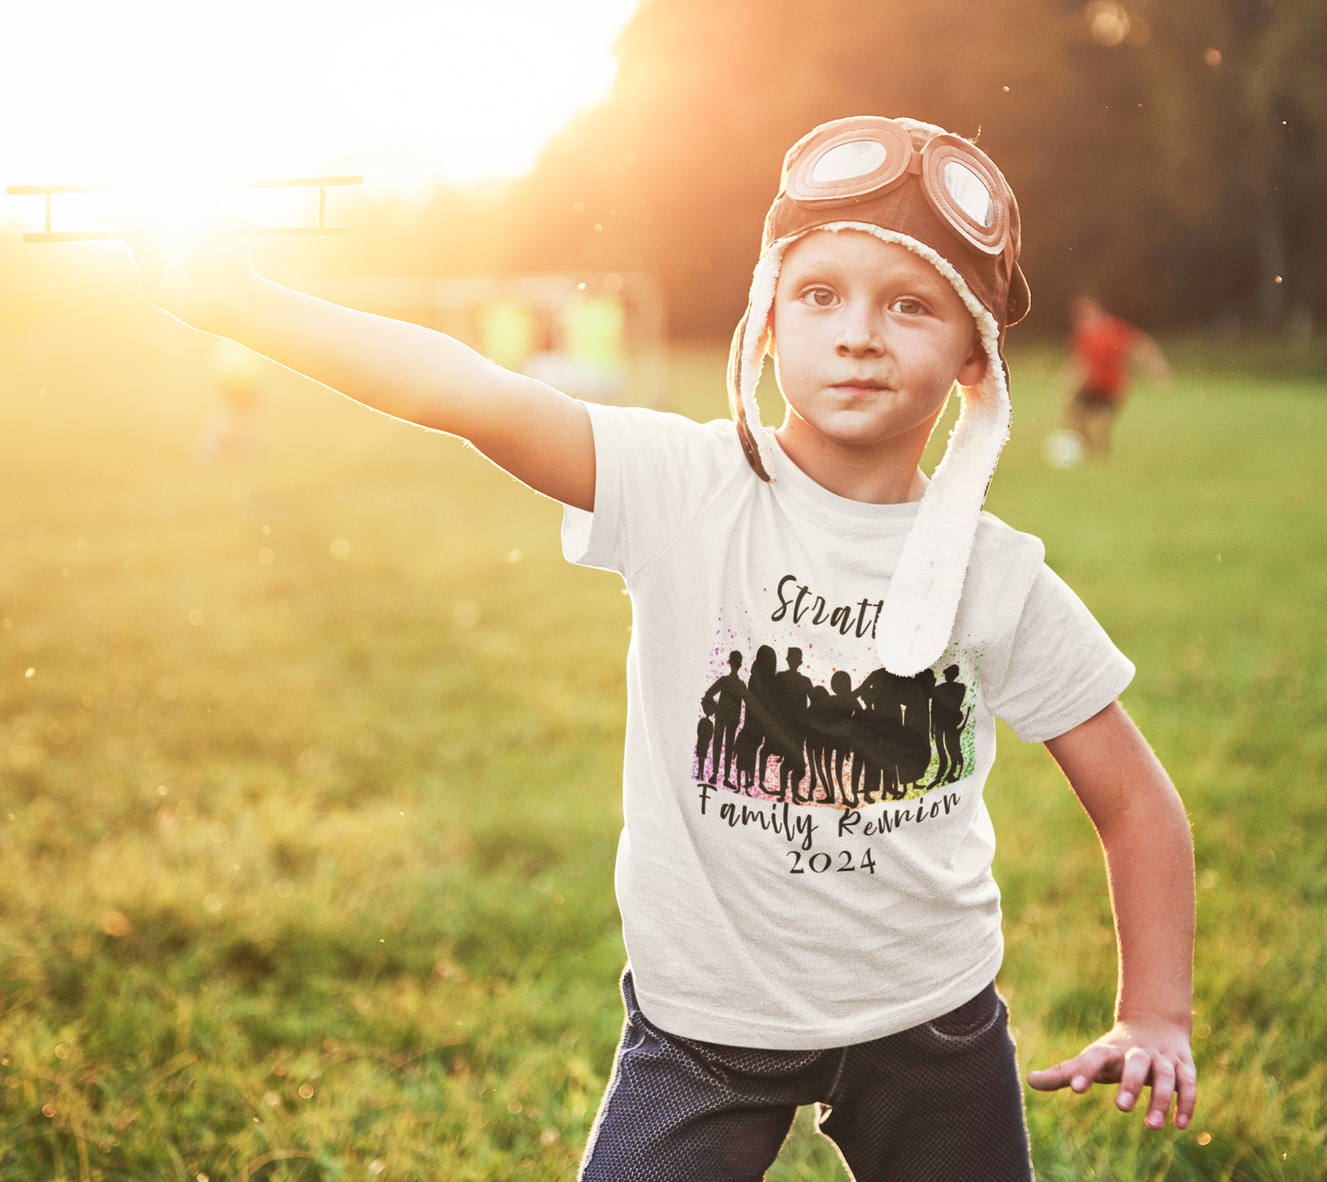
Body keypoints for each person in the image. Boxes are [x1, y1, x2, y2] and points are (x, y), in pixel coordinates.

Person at [125, 115, 1196, 1181]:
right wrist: (247, 306)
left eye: (908, 305)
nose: (859, 332)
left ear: (971, 355)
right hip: (703, 1024)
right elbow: (471, 394)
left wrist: (1154, 1014)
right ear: (767, 323)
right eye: (819, 294)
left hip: (930, 1017)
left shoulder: (995, 573)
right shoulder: (680, 485)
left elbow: (1135, 804)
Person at [1062, 295, 1173, 457]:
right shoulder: (1081, 333)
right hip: (1092, 384)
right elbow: (1078, 360)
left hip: (1113, 385)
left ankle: (1101, 454)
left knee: (1101, 423)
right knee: (1075, 416)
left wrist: (1156, 369)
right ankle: (1088, 451)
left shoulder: (1114, 329)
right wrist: (1067, 380)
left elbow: (1141, 346)